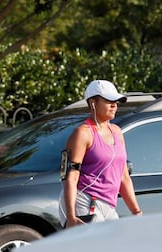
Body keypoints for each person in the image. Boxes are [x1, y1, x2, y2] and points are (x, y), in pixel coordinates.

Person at [59, 79, 142, 228]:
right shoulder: (83, 133)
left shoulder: (117, 131)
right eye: (109, 100)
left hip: (108, 204)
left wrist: (136, 211)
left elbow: (124, 176)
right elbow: (71, 177)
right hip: (85, 201)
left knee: (115, 248)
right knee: (94, 249)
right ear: (92, 103)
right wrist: (71, 216)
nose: (114, 105)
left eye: (116, 101)